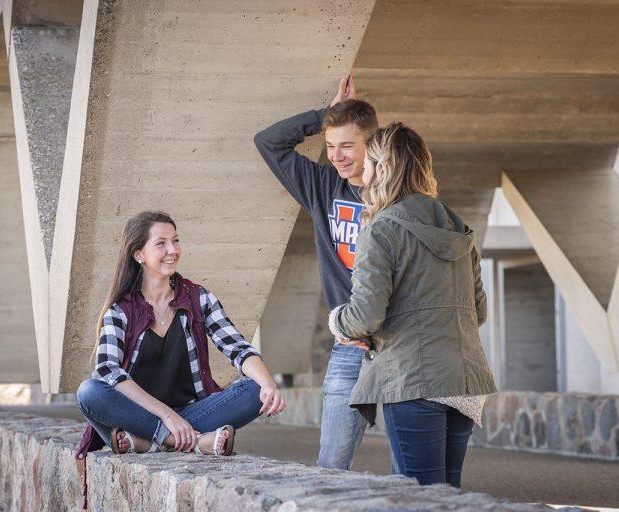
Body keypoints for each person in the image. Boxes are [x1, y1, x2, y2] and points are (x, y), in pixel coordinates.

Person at [328, 122, 497, 487]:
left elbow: (365, 316)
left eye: (368, 162)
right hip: (465, 379)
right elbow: (478, 311)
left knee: (417, 495)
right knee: (446, 494)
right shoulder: (457, 225)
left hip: (414, 378)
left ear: (381, 167)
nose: (362, 170)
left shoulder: (381, 229)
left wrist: (337, 322)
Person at [75, 211, 285, 461]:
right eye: (161, 243)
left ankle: (148, 443)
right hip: (137, 414)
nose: (172, 249)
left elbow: (237, 348)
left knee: (254, 389)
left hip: (193, 412)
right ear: (139, 254)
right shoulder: (120, 310)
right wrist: (166, 416)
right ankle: (190, 441)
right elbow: (107, 370)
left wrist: (268, 383)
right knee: (89, 392)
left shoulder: (199, 298)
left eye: (175, 240)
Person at [254, 77, 380, 470]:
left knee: (413, 467)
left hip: (401, 346)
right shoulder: (323, 187)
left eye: (347, 145)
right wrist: (321, 117)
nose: (337, 156)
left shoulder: (396, 193)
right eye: (330, 147)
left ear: (371, 146)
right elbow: (268, 142)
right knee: (330, 464)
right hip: (349, 346)